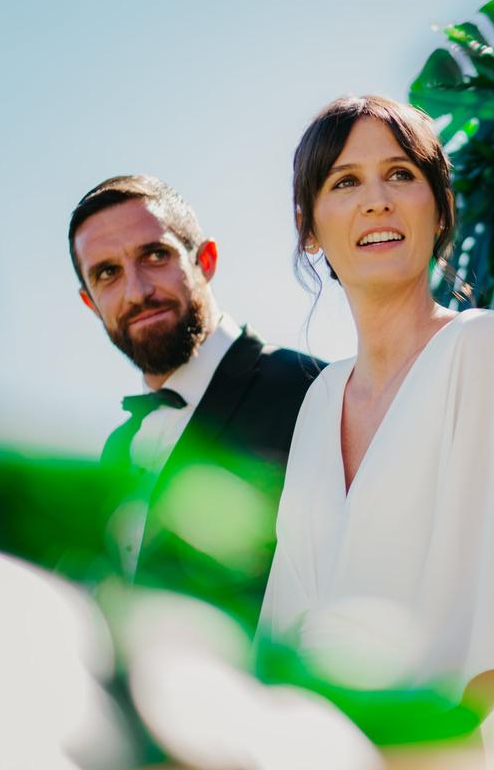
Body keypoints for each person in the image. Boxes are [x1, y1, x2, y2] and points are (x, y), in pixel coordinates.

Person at [256, 97, 494, 770]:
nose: (376, 200)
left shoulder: (482, 347)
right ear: (309, 227)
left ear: (439, 207)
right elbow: (284, 621)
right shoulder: (319, 400)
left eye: (401, 174)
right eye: (344, 181)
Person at [69, 175, 320, 620]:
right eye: (107, 273)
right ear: (90, 302)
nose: (136, 291)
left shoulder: (314, 390)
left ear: (205, 260)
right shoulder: (118, 449)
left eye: (155, 255)